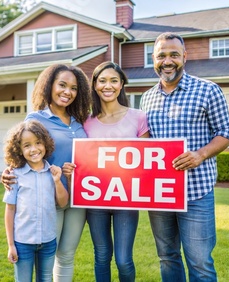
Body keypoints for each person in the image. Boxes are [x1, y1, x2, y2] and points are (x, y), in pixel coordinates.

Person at [140, 32, 229, 281]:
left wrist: (200, 154)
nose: (167, 60)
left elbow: (226, 132)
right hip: (159, 194)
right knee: (167, 256)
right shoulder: (147, 98)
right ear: (154, 59)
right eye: (161, 55)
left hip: (196, 191)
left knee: (200, 262)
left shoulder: (208, 90)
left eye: (173, 54)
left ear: (185, 56)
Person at [1, 64, 91, 282]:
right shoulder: (36, 118)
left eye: (73, 88)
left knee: (67, 255)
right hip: (49, 200)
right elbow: (21, 151)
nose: (67, 92)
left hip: (78, 199)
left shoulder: (80, 122)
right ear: (50, 86)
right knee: (48, 257)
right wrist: (6, 171)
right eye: (62, 85)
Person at [83, 61, 149, 282]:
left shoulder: (138, 117)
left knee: (123, 259)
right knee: (102, 256)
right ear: (94, 85)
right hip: (96, 201)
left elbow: (147, 160)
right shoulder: (86, 121)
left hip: (126, 201)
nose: (107, 85)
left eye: (113, 80)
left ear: (121, 85)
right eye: (102, 81)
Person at [3, 120, 69, 282]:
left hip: (48, 240)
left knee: (45, 279)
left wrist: (57, 181)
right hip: (23, 242)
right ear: (18, 149)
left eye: (38, 143)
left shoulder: (52, 172)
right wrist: (11, 245)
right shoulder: (15, 176)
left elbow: (63, 203)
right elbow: (10, 210)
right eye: (27, 145)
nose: (33, 149)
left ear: (45, 144)